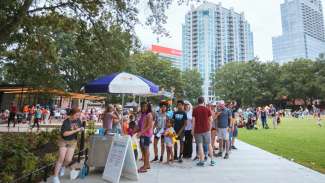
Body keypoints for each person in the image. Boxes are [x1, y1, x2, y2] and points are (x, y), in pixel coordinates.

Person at [53, 108, 83, 183]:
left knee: (68, 159)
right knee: (61, 158)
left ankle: (63, 166)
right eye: (77, 115)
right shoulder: (66, 122)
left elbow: (79, 127)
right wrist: (76, 130)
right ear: (72, 114)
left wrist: (81, 129)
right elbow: (64, 134)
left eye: (79, 115)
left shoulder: (78, 120)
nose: (78, 116)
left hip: (72, 141)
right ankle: (55, 177)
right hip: (64, 141)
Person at [192, 97, 215, 167]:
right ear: (203, 101)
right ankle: (212, 160)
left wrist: (192, 131)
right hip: (206, 130)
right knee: (209, 145)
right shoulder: (207, 109)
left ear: (197, 101)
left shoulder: (195, 110)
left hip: (198, 130)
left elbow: (193, 122)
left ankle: (202, 161)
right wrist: (209, 128)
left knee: (200, 145)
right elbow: (211, 120)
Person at [138, 101, 154, 173]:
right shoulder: (143, 114)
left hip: (146, 135)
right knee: (143, 149)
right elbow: (140, 125)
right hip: (142, 135)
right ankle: (147, 164)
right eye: (142, 106)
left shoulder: (149, 115)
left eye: (145, 106)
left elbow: (149, 126)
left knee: (145, 149)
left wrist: (141, 132)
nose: (143, 108)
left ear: (148, 107)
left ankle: (145, 166)